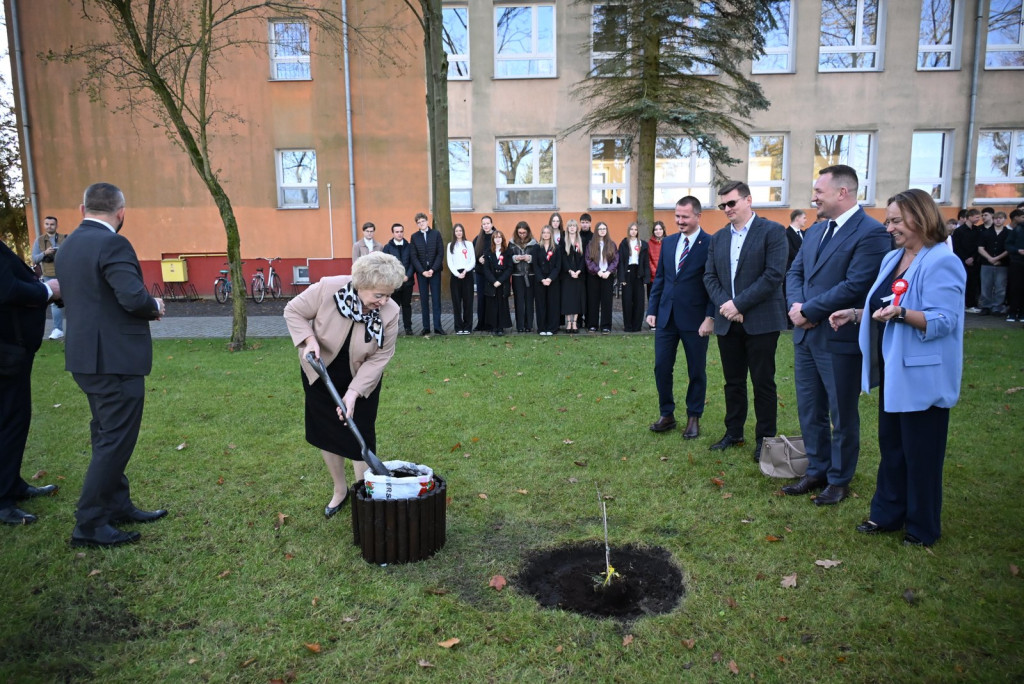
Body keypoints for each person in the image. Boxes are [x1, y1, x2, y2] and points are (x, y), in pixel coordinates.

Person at [828, 189, 966, 546]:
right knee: (893, 446)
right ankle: (887, 515)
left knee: (922, 454)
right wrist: (857, 313)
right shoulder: (893, 259)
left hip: (923, 375)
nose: (888, 227)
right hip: (895, 371)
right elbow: (884, 304)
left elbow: (944, 320)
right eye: (887, 220)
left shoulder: (942, 261)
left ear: (920, 218)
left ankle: (922, 528)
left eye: (895, 220)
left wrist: (903, 315)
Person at [56, 182, 167, 548]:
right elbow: (133, 297)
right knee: (115, 439)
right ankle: (89, 521)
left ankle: (117, 504)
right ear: (121, 212)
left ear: (82, 207)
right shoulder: (113, 243)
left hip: (85, 358)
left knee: (106, 433)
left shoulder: (68, 244)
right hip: (115, 360)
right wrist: (155, 306)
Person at [782, 165, 890, 504]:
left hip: (839, 338)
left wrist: (809, 311)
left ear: (842, 193)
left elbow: (856, 284)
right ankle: (816, 469)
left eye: (819, 191)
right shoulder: (815, 231)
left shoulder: (871, 233)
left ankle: (839, 479)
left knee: (841, 413)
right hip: (806, 337)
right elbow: (795, 271)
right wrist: (797, 307)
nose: (813, 197)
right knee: (809, 408)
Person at [284, 251, 405, 518]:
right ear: (361, 284)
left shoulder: (391, 311)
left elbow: (381, 356)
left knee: (360, 434)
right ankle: (340, 490)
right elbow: (293, 311)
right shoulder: (328, 288)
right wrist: (309, 341)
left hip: (361, 378)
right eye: (378, 295)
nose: (384, 301)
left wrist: (353, 393)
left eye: (389, 294)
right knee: (328, 433)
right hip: (320, 372)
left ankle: (363, 493)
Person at [703, 180, 788, 459]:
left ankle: (765, 440)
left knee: (763, 382)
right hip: (729, 322)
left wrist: (739, 303)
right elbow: (710, 277)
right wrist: (727, 306)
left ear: (748, 200)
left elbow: (773, 275)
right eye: (722, 205)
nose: (726, 209)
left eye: (731, 203)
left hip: (761, 321)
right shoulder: (718, 238)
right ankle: (733, 432)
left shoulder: (773, 232)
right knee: (733, 381)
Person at [0, 241, 62, 525]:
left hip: (14, 349)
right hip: (6, 350)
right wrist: (48, 290)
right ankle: (3, 499)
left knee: (16, 418)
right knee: (10, 420)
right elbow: (7, 289)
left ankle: (11, 483)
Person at [646, 196, 714, 440]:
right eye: (677, 216)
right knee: (661, 367)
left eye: (685, 217)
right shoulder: (669, 242)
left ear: (697, 216)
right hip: (666, 318)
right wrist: (652, 309)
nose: (680, 221)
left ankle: (694, 416)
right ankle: (667, 414)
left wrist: (710, 316)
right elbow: (661, 279)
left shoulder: (710, 244)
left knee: (696, 369)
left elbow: (713, 284)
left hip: (695, 320)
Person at [31, 216, 67, 340]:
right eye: (47, 224)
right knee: (55, 303)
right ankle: (58, 329)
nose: (49, 226)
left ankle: (76, 328)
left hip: (65, 273)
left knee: (73, 300)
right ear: (44, 225)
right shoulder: (39, 241)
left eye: (52, 224)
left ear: (56, 225)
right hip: (49, 275)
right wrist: (45, 253)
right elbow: (35, 259)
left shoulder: (64, 238)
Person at [410, 212, 445, 335]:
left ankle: (438, 326)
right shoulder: (414, 237)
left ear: (427, 221)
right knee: (424, 300)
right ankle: (426, 327)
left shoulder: (436, 234)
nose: (421, 224)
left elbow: (440, 253)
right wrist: (422, 271)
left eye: (422, 221)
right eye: (418, 223)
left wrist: (433, 269)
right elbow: (413, 257)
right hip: (422, 274)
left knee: (436, 299)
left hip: (434, 272)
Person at [585, 221, 618, 333]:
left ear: (606, 230)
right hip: (594, 275)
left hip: (607, 276)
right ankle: (592, 324)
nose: (602, 230)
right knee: (593, 301)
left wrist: (608, 271)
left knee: (607, 301)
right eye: (600, 229)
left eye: (604, 228)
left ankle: (606, 325)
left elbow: (615, 260)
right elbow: (588, 260)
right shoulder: (590, 244)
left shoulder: (612, 244)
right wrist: (597, 271)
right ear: (596, 231)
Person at [382, 223, 415, 335]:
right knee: (394, 307)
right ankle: (393, 329)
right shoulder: (387, 247)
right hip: (394, 283)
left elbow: (412, 263)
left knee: (406, 305)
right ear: (393, 233)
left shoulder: (409, 246)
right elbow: (386, 265)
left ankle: (408, 328)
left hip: (407, 282)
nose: (399, 234)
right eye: (397, 232)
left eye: (401, 231)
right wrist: (396, 278)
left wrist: (408, 275)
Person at [618, 222, 649, 332]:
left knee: (639, 301)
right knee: (627, 300)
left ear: (638, 231)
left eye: (635, 229)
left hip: (638, 273)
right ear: (628, 230)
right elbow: (620, 261)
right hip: (627, 273)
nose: (633, 231)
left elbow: (646, 262)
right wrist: (622, 278)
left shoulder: (643, 244)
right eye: (631, 229)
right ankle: (628, 326)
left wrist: (646, 278)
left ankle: (637, 326)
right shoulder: (624, 243)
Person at [481, 230, 513, 335]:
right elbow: (486, 269)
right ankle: (494, 326)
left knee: (502, 304)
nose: (498, 239)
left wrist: (500, 280)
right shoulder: (488, 252)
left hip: (503, 282)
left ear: (502, 239)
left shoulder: (508, 252)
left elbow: (509, 268)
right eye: (495, 237)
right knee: (492, 304)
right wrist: (494, 281)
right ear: (493, 240)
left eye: (499, 237)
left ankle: (501, 327)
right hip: (492, 282)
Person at [977, 211, 1009, 316]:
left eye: (1000, 218)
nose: (998, 220)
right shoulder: (985, 233)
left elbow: (1008, 248)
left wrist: (998, 258)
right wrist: (990, 258)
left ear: (1005, 219)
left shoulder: (1008, 233)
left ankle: (997, 307)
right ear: (993, 219)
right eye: (996, 218)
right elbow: (980, 248)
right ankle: (986, 306)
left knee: (1000, 286)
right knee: (986, 286)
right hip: (986, 262)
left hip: (1002, 263)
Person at [446, 223, 475, 335]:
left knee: (468, 302)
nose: (459, 233)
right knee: (457, 302)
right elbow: (450, 262)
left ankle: (468, 326)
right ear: (454, 233)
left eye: (460, 230)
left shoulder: (469, 244)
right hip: (455, 275)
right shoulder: (450, 245)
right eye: (457, 231)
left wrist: (465, 270)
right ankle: (458, 327)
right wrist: (457, 274)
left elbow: (472, 260)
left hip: (467, 274)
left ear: (463, 232)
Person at [532, 225, 561, 336]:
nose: (546, 234)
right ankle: (542, 328)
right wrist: (542, 279)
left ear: (551, 234)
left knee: (552, 304)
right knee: (540, 305)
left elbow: (558, 266)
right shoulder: (536, 247)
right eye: (544, 232)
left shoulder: (557, 248)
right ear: (541, 234)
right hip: (540, 281)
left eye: (548, 232)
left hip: (553, 280)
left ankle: (552, 328)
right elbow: (535, 265)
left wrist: (549, 278)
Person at [509, 221, 537, 333]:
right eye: (520, 233)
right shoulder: (511, 244)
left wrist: (529, 258)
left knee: (529, 301)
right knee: (519, 301)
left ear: (528, 232)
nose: (522, 235)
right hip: (517, 276)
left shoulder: (534, 243)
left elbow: (538, 258)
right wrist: (515, 258)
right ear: (516, 232)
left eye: (524, 233)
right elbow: (507, 258)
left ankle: (529, 325)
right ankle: (520, 325)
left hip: (530, 275)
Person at [952, 209, 982, 312]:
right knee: (962, 282)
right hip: (961, 260)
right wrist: (965, 258)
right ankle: (961, 304)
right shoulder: (959, 231)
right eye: (977, 217)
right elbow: (957, 247)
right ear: (969, 217)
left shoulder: (977, 230)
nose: (979, 219)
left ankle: (971, 304)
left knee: (972, 283)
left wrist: (973, 257)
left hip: (973, 261)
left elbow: (978, 245)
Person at [560, 220, 586, 333]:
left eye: (574, 226)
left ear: (576, 228)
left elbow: (583, 258)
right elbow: (563, 258)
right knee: (567, 300)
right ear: (567, 228)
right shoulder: (563, 241)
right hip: (567, 276)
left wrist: (579, 271)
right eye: (569, 226)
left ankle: (574, 322)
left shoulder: (581, 241)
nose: (572, 228)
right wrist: (570, 271)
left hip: (578, 276)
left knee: (576, 300)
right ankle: (568, 322)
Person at [473, 216, 495, 331]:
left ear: (492, 224)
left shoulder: (496, 236)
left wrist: (488, 259)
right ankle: (480, 323)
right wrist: (478, 260)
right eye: (484, 224)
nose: (486, 225)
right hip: (480, 273)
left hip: (492, 274)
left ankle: (491, 324)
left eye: (488, 223)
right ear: (481, 225)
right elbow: (473, 256)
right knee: (481, 298)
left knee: (490, 298)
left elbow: (501, 254)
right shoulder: (478, 239)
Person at [1005, 209, 1024, 322]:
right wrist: (1018, 251)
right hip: (1017, 262)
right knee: (1015, 288)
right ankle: (1012, 312)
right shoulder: (1018, 229)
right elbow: (1008, 244)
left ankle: (1022, 313)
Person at [646, 220, 666, 306]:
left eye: (660, 229)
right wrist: (656, 273)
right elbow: (648, 260)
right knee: (653, 301)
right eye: (656, 229)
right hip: (653, 278)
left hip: (666, 277)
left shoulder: (669, 242)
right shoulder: (649, 244)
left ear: (663, 230)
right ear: (653, 231)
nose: (658, 231)